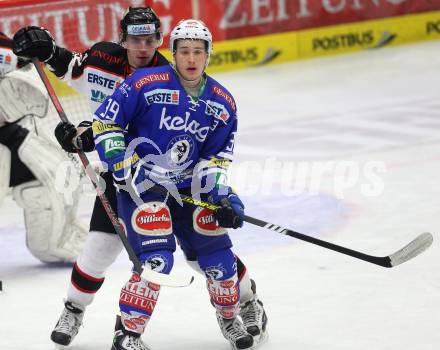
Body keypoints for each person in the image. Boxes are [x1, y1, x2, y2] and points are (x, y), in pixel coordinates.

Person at [13, 9, 267, 348]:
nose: (143, 46)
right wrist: (44, 50)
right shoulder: (105, 58)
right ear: (123, 39)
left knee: (204, 252)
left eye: (150, 40)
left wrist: (221, 195)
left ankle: (247, 301)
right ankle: (78, 311)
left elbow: (205, 150)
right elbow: (74, 70)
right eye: (135, 39)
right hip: (125, 180)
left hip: (180, 181)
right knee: (101, 250)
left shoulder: (167, 73)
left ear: (162, 42)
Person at [92, 19, 267, 350]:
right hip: (142, 188)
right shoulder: (144, 83)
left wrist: (223, 197)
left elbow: (214, 160)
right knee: (158, 260)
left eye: (198, 52)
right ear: (172, 53)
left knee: (217, 257)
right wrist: (126, 167)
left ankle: (230, 317)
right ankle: (127, 335)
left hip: (190, 191)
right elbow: (105, 124)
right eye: (184, 51)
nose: (191, 58)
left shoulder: (222, 103)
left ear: (208, 55)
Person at [0, 32, 87, 263]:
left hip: (7, 135)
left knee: (58, 178)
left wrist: (27, 51)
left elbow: (25, 73)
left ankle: (61, 237)